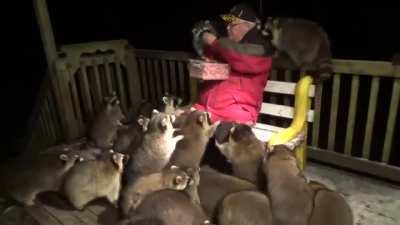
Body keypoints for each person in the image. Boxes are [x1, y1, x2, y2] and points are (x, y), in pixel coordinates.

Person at [192, 3, 273, 126]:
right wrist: (204, 64)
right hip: (207, 110)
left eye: (233, 24)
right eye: (227, 24)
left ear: (248, 26)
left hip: (234, 116)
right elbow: (198, 71)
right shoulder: (228, 50)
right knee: (172, 119)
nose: (228, 27)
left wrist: (214, 42)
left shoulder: (260, 49)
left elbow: (242, 59)